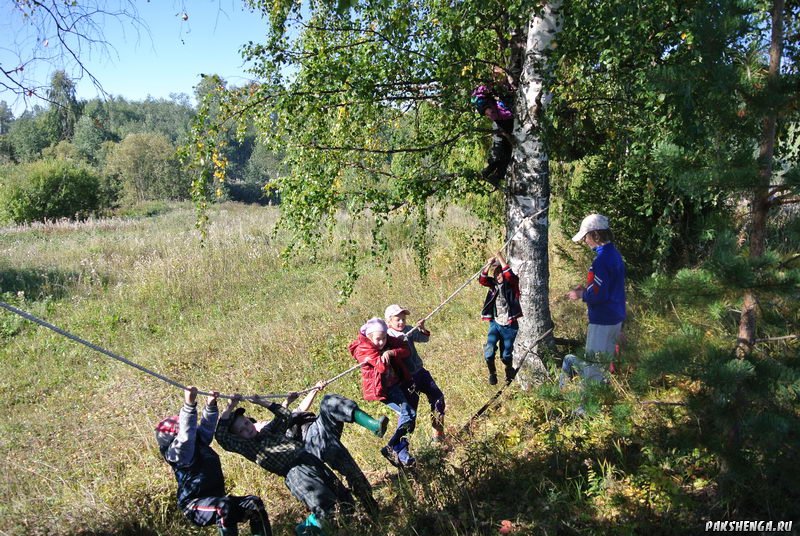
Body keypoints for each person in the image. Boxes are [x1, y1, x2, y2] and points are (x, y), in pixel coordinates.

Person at [214, 386, 387, 535]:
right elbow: (221, 437)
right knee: (327, 511)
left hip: (310, 460)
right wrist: (230, 406)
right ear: (237, 438)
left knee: (346, 502)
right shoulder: (247, 447)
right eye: (241, 430)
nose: (247, 429)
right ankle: (306, 532)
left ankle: (342, 526)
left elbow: (284, 417)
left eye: (246, 423)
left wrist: (262, 402)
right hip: (296, 473)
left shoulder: (268, 432)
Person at [155, 386, 271, 536]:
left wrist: (211, 405)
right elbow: (186, 436)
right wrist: (189, 404)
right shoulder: (179, 455)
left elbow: (206, 429)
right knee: (223, 507)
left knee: (254, 504)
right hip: (193, 505)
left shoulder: (200, 443)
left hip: (216, 500)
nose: (194, 432)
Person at [564, 213, 626, 389]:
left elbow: (599, 295)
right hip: (615, 317)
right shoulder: (615, 255)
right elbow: (608, 288)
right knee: (604, 365)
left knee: (593, 366)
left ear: (595, 235)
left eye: (586, 236)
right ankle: (602, 396)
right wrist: (587, 290)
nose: (585, 241)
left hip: (602, 320)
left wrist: (581, 295)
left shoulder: (601, 260)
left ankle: (585, 409)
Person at [348, 317, 417, 468]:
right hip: (383, 390)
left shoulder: (387, 341)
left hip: (396, 384)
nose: (381, 342)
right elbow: (382, 368)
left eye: (384, 338)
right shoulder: (364, 348)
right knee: (409, 414)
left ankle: (403, 455)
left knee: (409, 418)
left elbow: (405, 350)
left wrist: (391, 351)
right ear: (369, 337)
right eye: (378, 340)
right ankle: (392, 446)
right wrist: (381, 357)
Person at [384, 304, 446, 442]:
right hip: (406, 381)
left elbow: (424, 338)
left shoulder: (407, 330)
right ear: (388, 321)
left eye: (403, 319)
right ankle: (400, 447)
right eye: (397, 320)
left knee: (438, 398)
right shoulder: (386, 337)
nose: (401, 322)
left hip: (420, 373)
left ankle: (438, 434)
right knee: (410, 416)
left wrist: (421, 328)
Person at [479, 252, 523, 385]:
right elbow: (482, 279)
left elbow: (509, 274)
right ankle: (492, 373)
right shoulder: (493, 285)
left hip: (510, 326)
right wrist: (488, 264)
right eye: (496, 273)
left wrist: (500, 258)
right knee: (489, 351)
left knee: (506, 355)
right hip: (496, 323)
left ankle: (508, 369)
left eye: (500, 273)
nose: (498, 276)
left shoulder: (512, 284)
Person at [471, 83, 514, 187]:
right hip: (500, 120)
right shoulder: (488, 87)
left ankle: (497, 175)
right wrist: (489, 89)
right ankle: (490, 170)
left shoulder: (509, 85)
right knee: (499, 147)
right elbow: (477, 95)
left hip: (508, 119)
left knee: (507, 151)